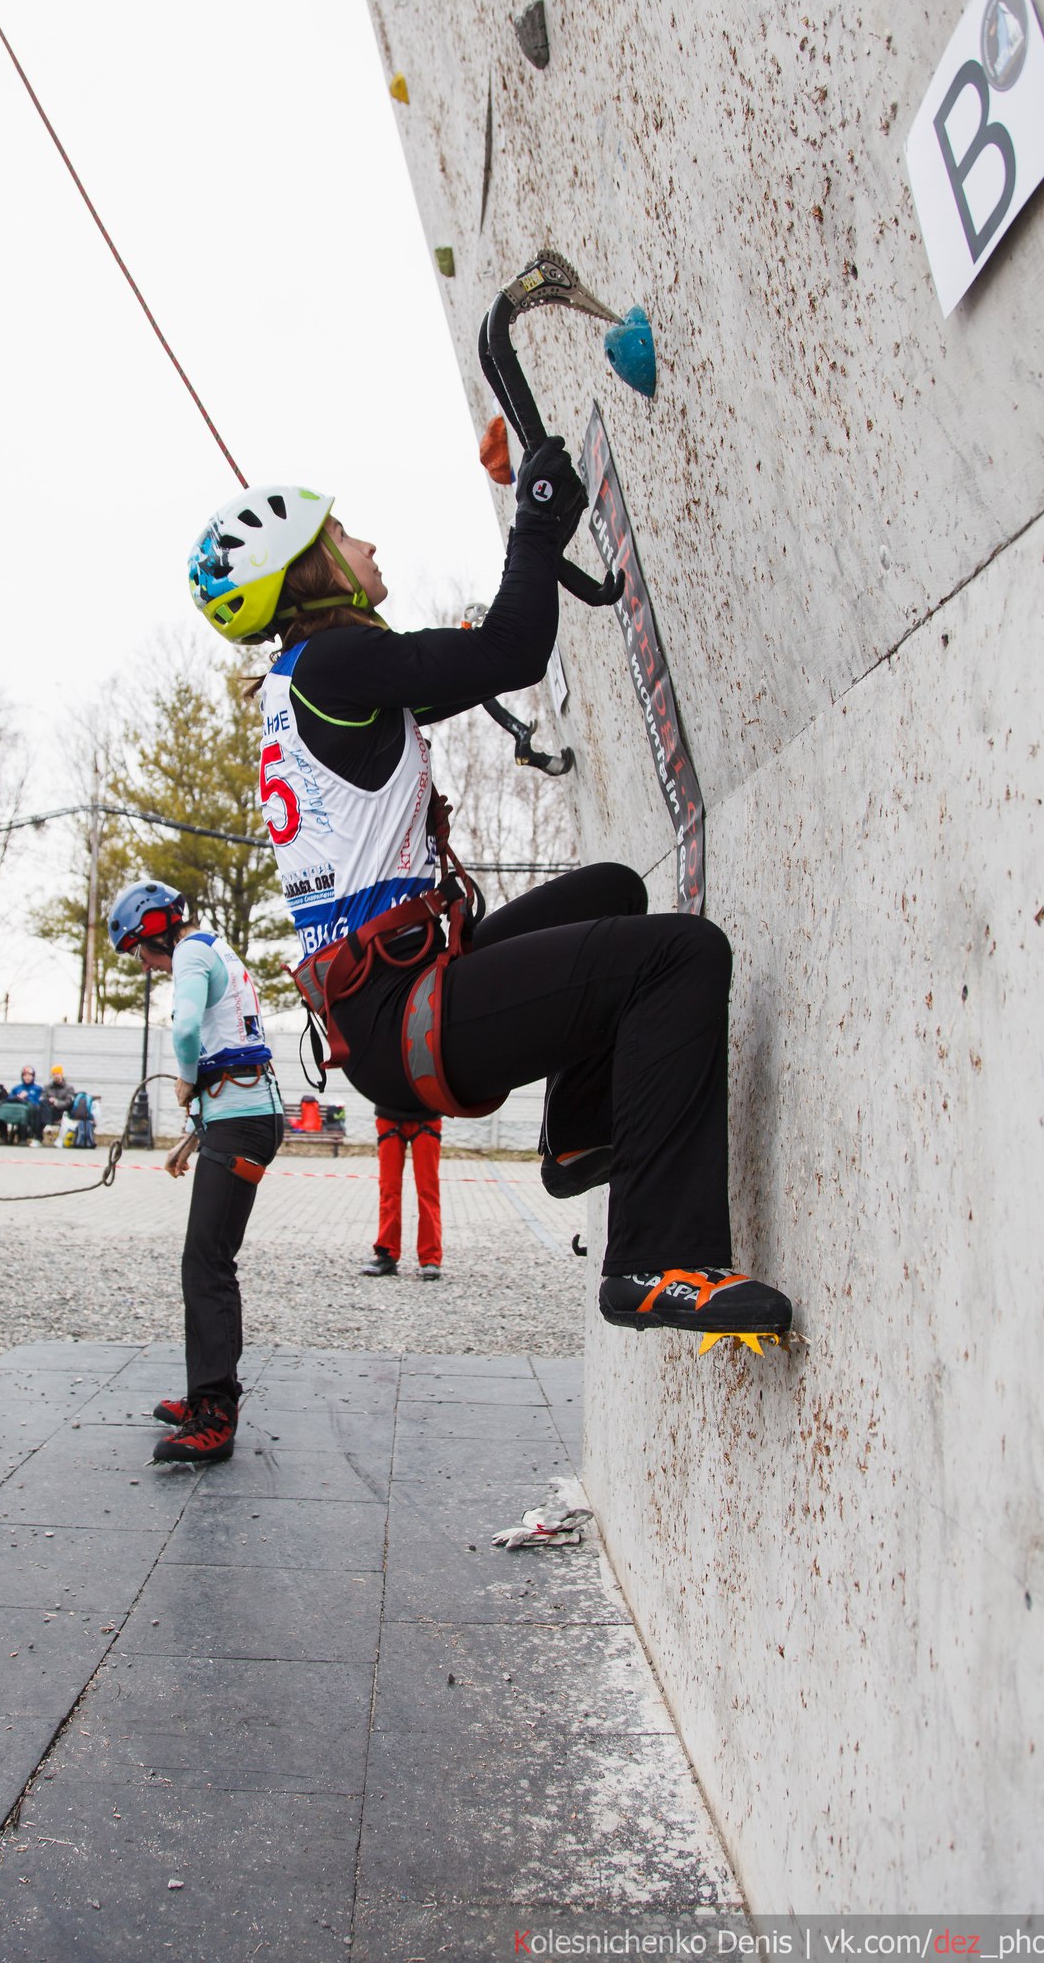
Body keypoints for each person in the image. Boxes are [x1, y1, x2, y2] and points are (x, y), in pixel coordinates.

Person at [186, 460, 793, 1345]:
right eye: (343, 536)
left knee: (616, 893)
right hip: (401, 1011)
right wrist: (536, 520)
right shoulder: (340, 662)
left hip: (388, 998)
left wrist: (513, 592)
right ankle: (656, 1262)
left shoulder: (306, 679)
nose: (366, 543)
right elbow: (513, 652)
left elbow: (480, 661)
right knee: (682, 955)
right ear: (311, 569)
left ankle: (582, 1134)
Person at [108, 879, 285, 1463]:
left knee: (206, 1264)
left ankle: (214, 1413)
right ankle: (208, 1394)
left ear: (155, 932)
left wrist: (185, 1077)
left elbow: (186, 1032)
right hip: (238, 1118)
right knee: (209, 1261)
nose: (144, 963)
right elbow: (230, 1046)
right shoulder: (213, 947)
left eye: (139, 949)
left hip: (242, 1122)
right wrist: (196, 1136)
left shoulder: (188, 953)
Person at [367, 1105, 443, 1280]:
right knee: (389, 1189)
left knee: (428, 1191)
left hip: (427, 1115)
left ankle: (431, 1258)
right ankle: (386, 1254)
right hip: (389, 1115)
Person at [7, 1067, 48, 1143]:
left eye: (29, 1076)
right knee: (23, 1114)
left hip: (34, 1112)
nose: (27, 1078)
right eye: (25, 1075)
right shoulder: (17, 1088)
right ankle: (21, 1136)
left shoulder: (38, 1089)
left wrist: (27, 1096)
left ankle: (34, 1135)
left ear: (33, 1077)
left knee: (37, 1111)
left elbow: (42, 1100)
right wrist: (18, 1097)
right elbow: (9, 1098)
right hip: (19, 1111)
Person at [44, 1064, 76, 1135]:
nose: (56, 1076)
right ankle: (37, 1138)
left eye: (57, 1073)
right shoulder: (47, 1087)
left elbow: (68, 1102)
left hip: (61, 1112)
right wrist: (50, 1101)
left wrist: (56, 1102)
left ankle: (47, 1124)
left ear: (61, 1074)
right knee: (41, 1107)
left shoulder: (69, 1088)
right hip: (48, 1111)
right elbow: (42, 1098)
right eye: (54, 1074)